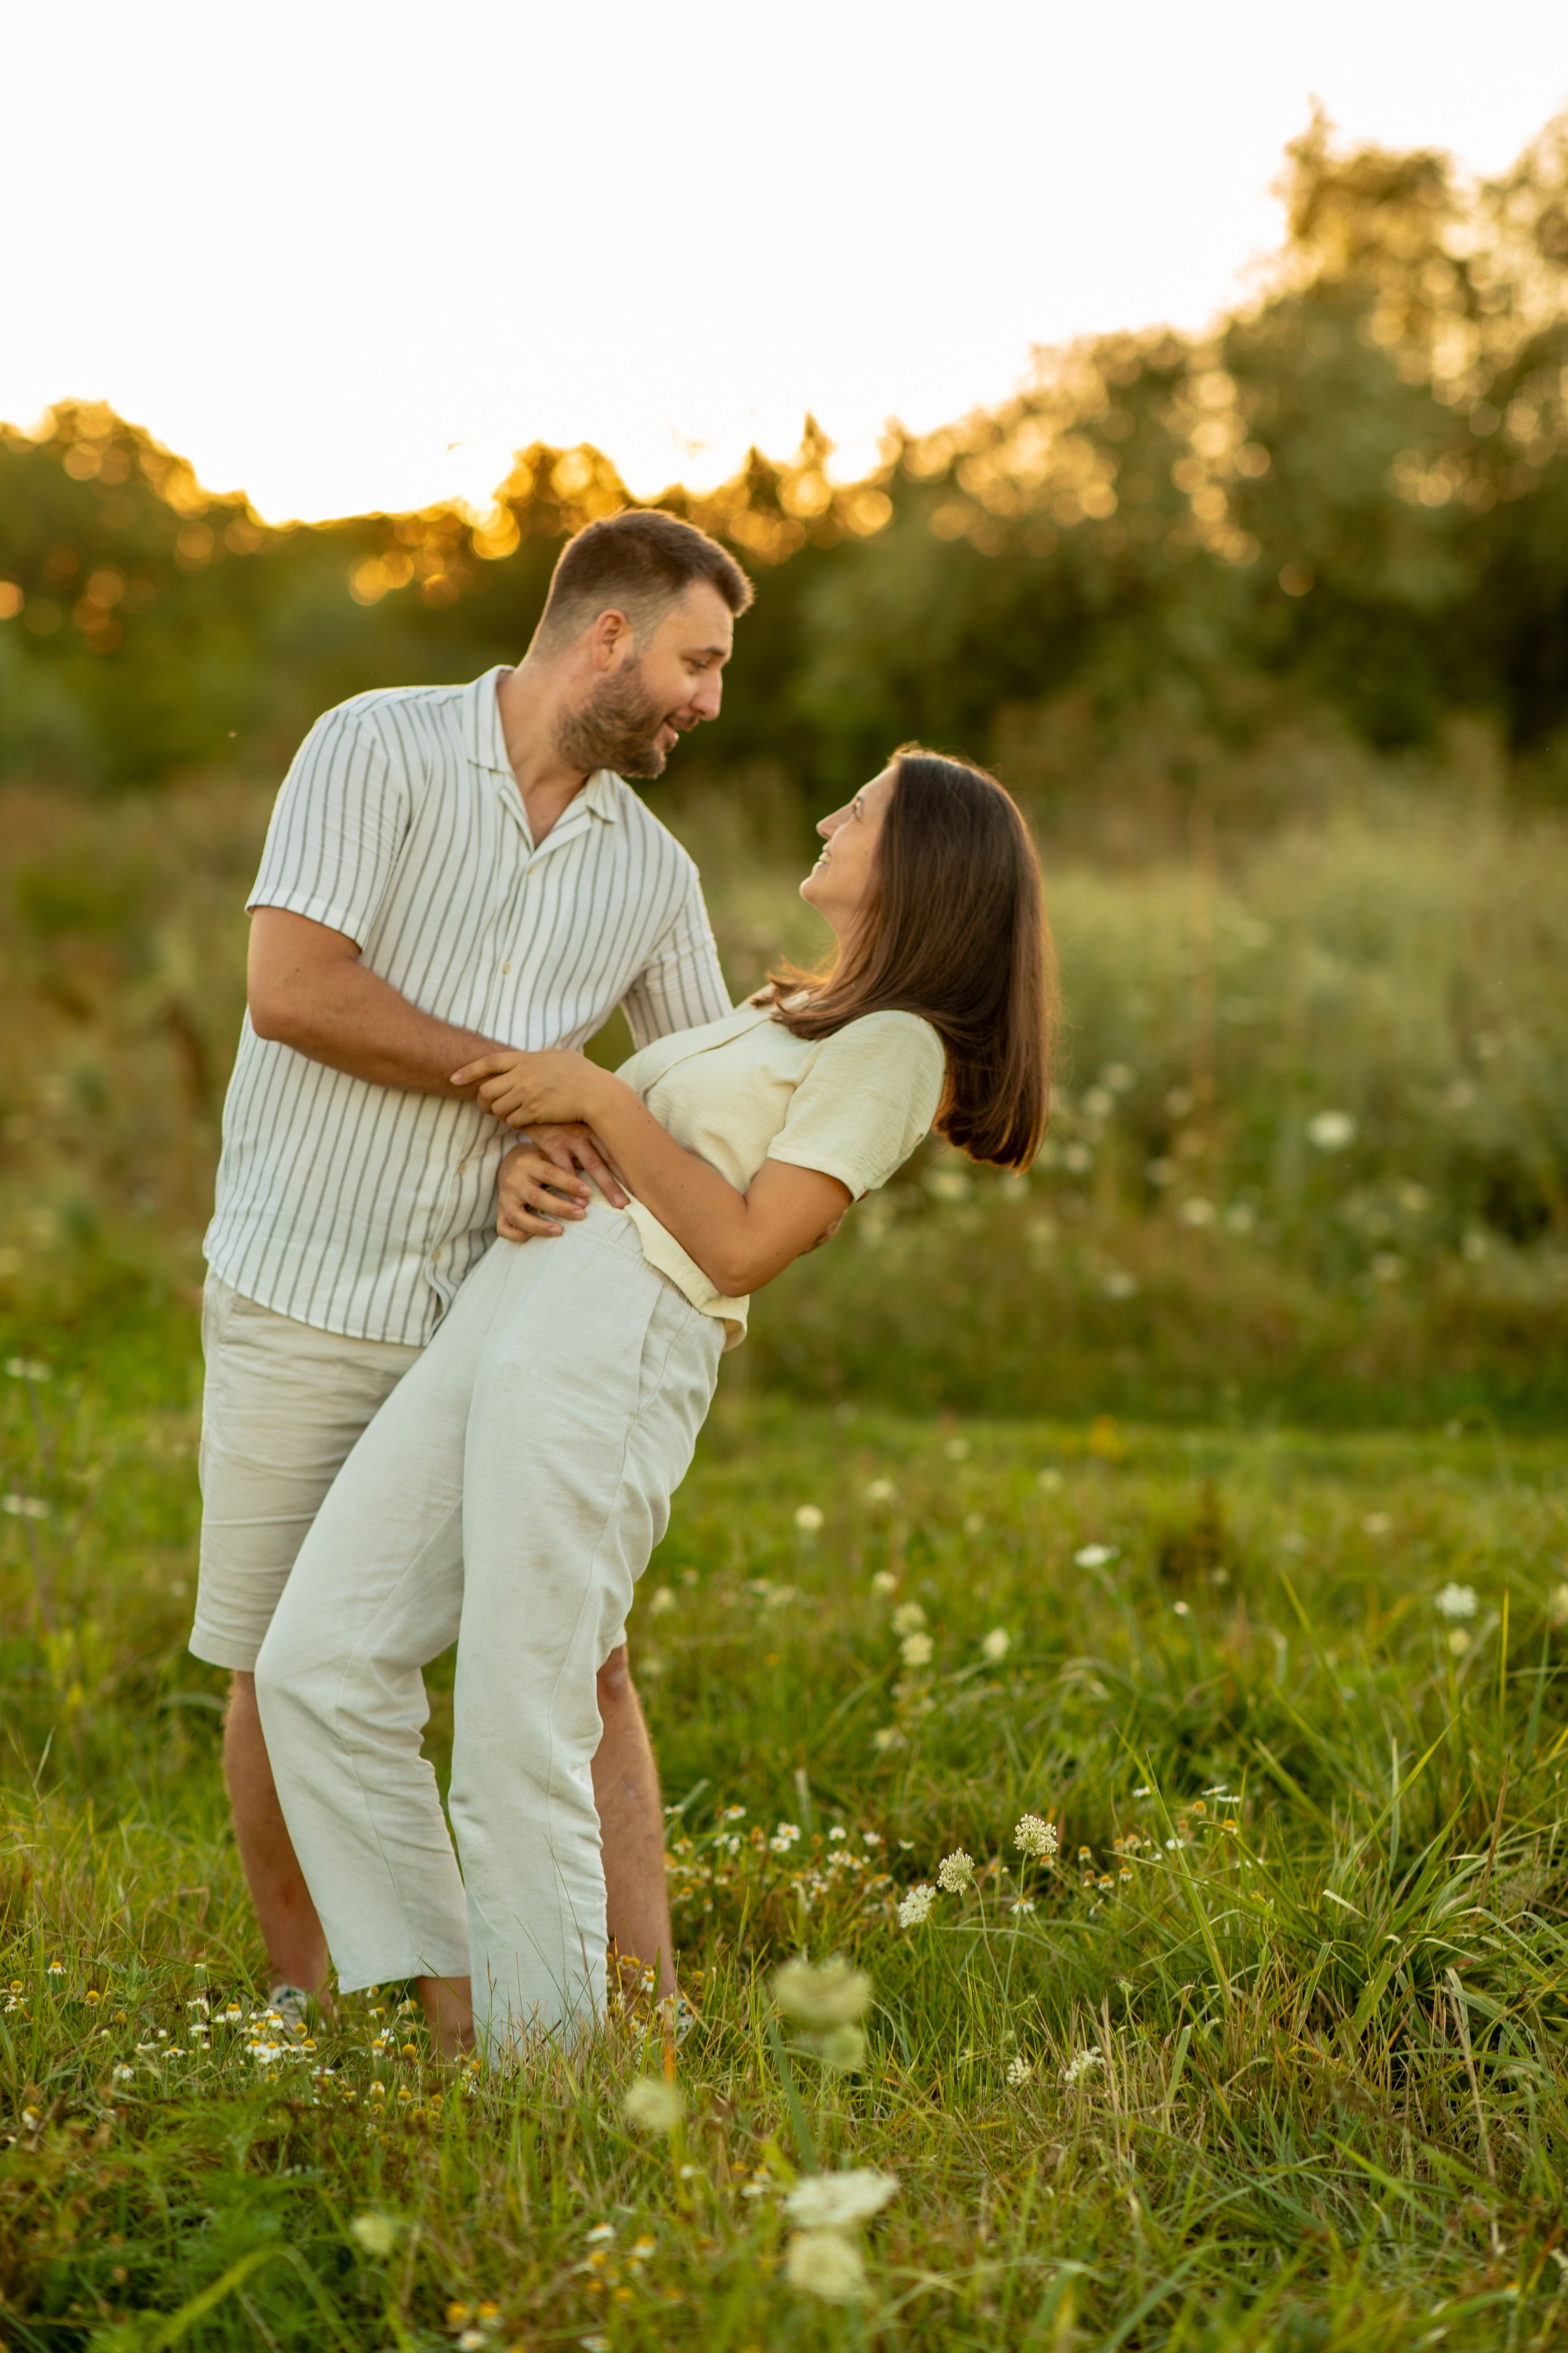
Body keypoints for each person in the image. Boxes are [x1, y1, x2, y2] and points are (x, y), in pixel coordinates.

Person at [254, 746, 1055, 2053]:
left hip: (616, 1336)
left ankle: (548, 2074)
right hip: (515, 1300)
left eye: (857, 809)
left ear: (919, 864)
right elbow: (648, 1156)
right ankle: (462, 1998)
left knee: (521, 1711)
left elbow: (742, 1245)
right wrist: (538, 1157)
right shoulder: (793, 1010)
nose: (827, 814)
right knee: (318, 1660)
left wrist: (596, 1098)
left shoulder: (898, 1046)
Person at [192, 509, 754, 2037]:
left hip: (499, 1318)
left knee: (587, 1663)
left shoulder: (653, 875)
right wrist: (525, 1093)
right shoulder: (372, 748)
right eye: (698, 661)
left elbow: (694, 1108)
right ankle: (322, 2001)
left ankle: (643, 2005)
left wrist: (607, 1118)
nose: (709, 700)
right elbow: (293, 990)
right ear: (608, 634)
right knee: (277, 1662)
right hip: (303, 1288)